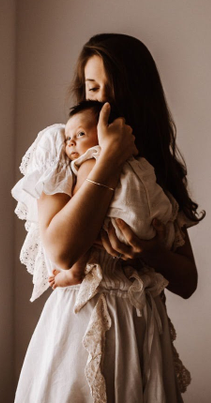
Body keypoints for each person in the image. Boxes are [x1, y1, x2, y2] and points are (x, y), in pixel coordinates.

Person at [11, 34, 204, 403]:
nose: (100, 100)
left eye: (110, 89)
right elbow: (62, 251)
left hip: (144, 335)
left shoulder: (155, 168)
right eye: (91, 87)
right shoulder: (66, 145)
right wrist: (108, 159)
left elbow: (187, 281)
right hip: (78, 333)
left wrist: (151, 252)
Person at [49, 99, 186, 290]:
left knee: (84, 218)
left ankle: (75, 272)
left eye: (80, 134)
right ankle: (132, 264)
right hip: (154, 228)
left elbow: (80, 214)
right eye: (67, 138)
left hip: (122, 230)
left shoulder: (90, 162)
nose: (71, 142)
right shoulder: (137, 159)